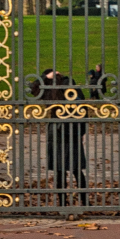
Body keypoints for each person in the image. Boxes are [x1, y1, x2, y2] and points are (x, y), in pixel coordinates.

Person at [30, 68, 87, 206]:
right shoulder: (51, 88)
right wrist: (46, 78)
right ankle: (80, 202)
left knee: (68, 170)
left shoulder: (66, 84)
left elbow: (81, 107)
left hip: (64, 130)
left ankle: (67, 203)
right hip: (66, 131)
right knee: (71, 170)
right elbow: (32, 88)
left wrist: (45, 78)